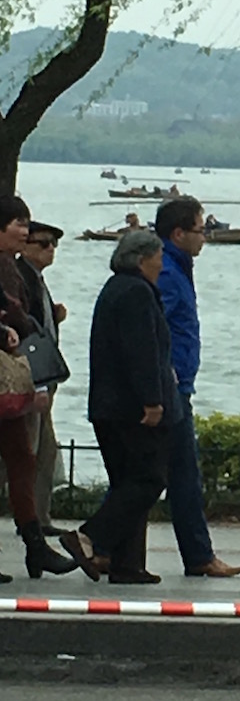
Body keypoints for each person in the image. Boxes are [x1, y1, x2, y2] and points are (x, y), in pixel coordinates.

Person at [60, 230, 180, 584]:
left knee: (128, 480)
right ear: (142, 259)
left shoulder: (117, 289)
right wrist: (153, 400)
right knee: (148, 479)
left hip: (110, 406)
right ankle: (88, 537)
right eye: (159, 255)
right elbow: (140, 351)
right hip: (131, 409)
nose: (162, 262)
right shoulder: (136, 293)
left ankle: (127, 564)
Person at [153, 196, 240, 578]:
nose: (205, 236)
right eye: (199, 229)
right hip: (170, 385)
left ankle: (104, 545)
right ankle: (199, 555)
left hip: (177, 382)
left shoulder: (177, 267)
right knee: (174, 472)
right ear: (178, 234)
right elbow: (156, 327)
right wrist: (168, 375)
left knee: (156, 471)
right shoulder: (168, 273)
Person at [0, 195, 76, 579]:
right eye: (19, 223)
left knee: (22, 459)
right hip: (6, 373)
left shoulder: (10, 269)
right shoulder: (8, 270)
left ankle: (35, 545)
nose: (25, 230)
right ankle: (35, 544)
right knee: (20, 458)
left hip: (8, 381)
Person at [17, 220, 69, 537]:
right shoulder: (21, 277)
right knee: (26, 448)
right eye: (43, 243)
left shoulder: (37, 280)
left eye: (53, 244)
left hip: (44, 376)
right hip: (31, 377)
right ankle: (32, 519)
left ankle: (38, 516)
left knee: (44, 449)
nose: (50, 249)